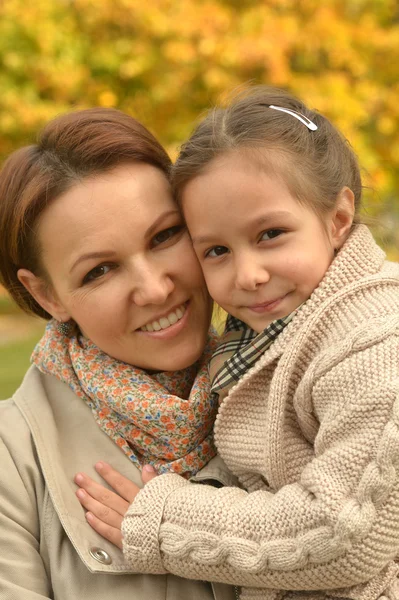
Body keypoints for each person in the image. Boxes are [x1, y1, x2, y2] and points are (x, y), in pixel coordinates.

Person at [74, 87, 399, 600]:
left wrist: (164, 521)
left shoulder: (376, 341)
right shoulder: (265, 332)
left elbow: (344, 533)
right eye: (217, 250)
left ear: (337, 220)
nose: (247, 275)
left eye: (270, 234)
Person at [0, 107, 237, 599]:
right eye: (100, 271)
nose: (153, 289)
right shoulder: (11, 462)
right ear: (47, 296)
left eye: (165, 236)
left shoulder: (295, 392)